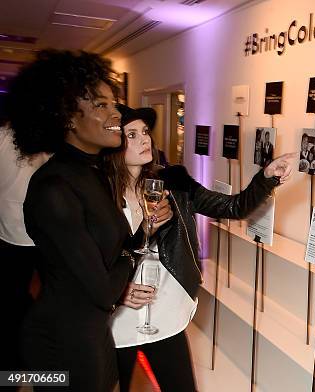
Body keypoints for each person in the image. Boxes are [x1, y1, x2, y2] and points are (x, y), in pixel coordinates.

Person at [8, 49, 172, 392]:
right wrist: (133, 249)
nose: (116, 114)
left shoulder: (92, 172)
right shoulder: (54, 186)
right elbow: (104, 290)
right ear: (67, 117)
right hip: (61, 342)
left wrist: (147, 229)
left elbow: (115, 252)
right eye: (101, 105)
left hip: (91, 331)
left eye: (114, 104)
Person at [107, 105, 295, 392]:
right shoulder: (97, 192)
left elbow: (233, 206)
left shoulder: (173, 182)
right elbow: (88, 258)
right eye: (131, 135)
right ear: (112, 143)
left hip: (164, 312)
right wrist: (117, 290)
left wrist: (266, 177)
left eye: (145, 132)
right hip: (115, 320)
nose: (145, 139)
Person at [0, 124, 50, 388]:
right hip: (31, 237)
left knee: (15, 308)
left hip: (16, 237)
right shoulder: (51, 136)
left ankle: (19, 374)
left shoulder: (4, 136)